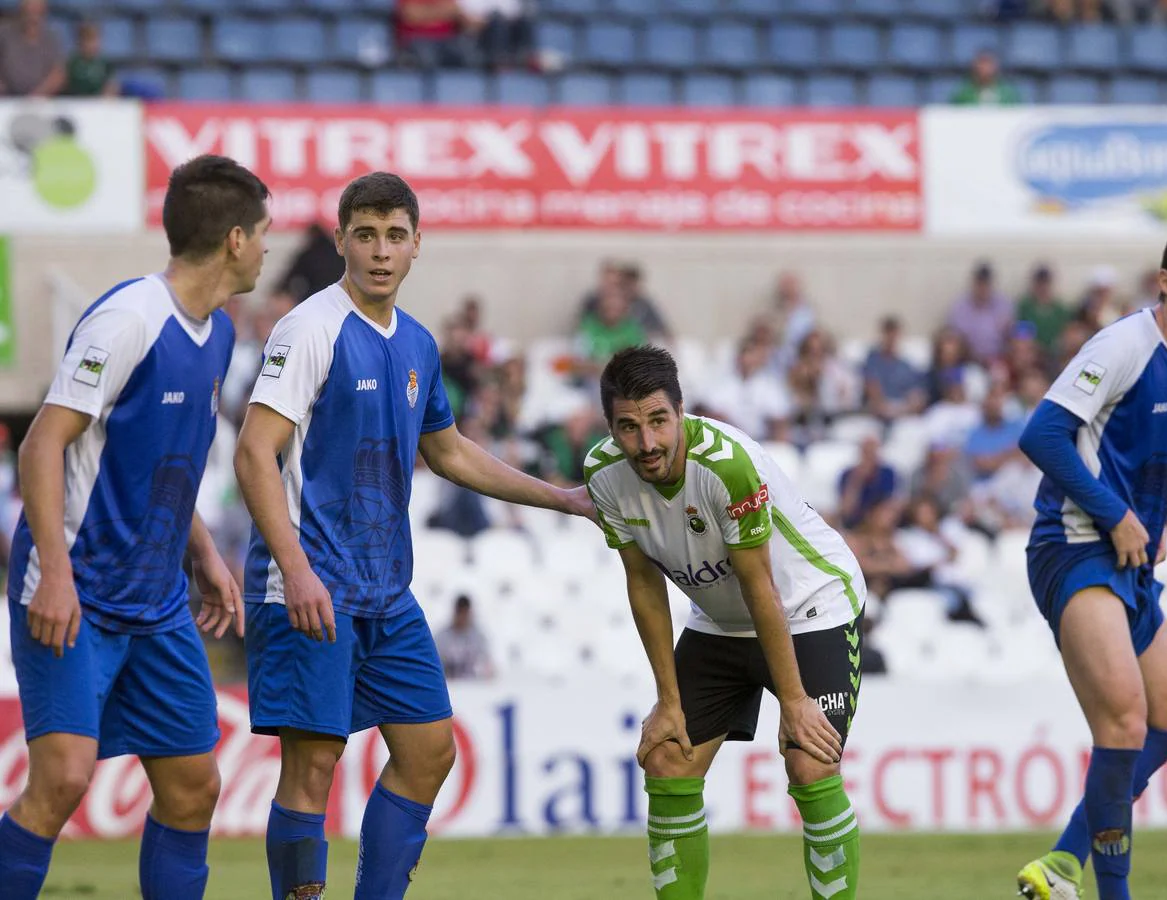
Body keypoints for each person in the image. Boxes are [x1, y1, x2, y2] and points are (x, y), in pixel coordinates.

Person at [233, 171, 592, 900]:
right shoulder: (311, 328)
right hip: (311, 582)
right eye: (364, 235)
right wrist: (297, 570)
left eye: (394, 235)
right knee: (313, 766)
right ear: (339, 241)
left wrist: (561, 497)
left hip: (384, 591)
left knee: (429, 750)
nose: (379, 251)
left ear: (417, 245)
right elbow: (252, 451)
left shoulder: (419, 345)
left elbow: (450, 452)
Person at [0, 155, 268, 900]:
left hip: (155, 600)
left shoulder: (216, 332)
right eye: (266, 233)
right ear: (237, 240)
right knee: (61, 782)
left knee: (193, 785)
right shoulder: (127, 320)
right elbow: (41, 443)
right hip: (77, 589)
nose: (271, 248)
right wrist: (54, 574)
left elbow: (163, 459)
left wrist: (204, 550)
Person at [584, 345, 865, 900]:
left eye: (659, 421)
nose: (648, 444)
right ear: (611, 427)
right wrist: (667, 700)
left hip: (810, 609)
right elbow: (643, 583)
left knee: (809, 764)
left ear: (682, 411)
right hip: (718, 620)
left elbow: (762, 589)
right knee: (666, 759)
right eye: (629, 427)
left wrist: (794, 699)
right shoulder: (604, 474)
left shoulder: (726, 464)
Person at [1015, 221, 1167, 900]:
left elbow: (1152, 445)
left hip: (1127, 553)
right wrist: (1116, 514)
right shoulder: (1121, 345)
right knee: (1122, 723)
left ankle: (1062, 860)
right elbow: (1042, 434)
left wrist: (1153, 519)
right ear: (1165, 284)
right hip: (1073, 546)